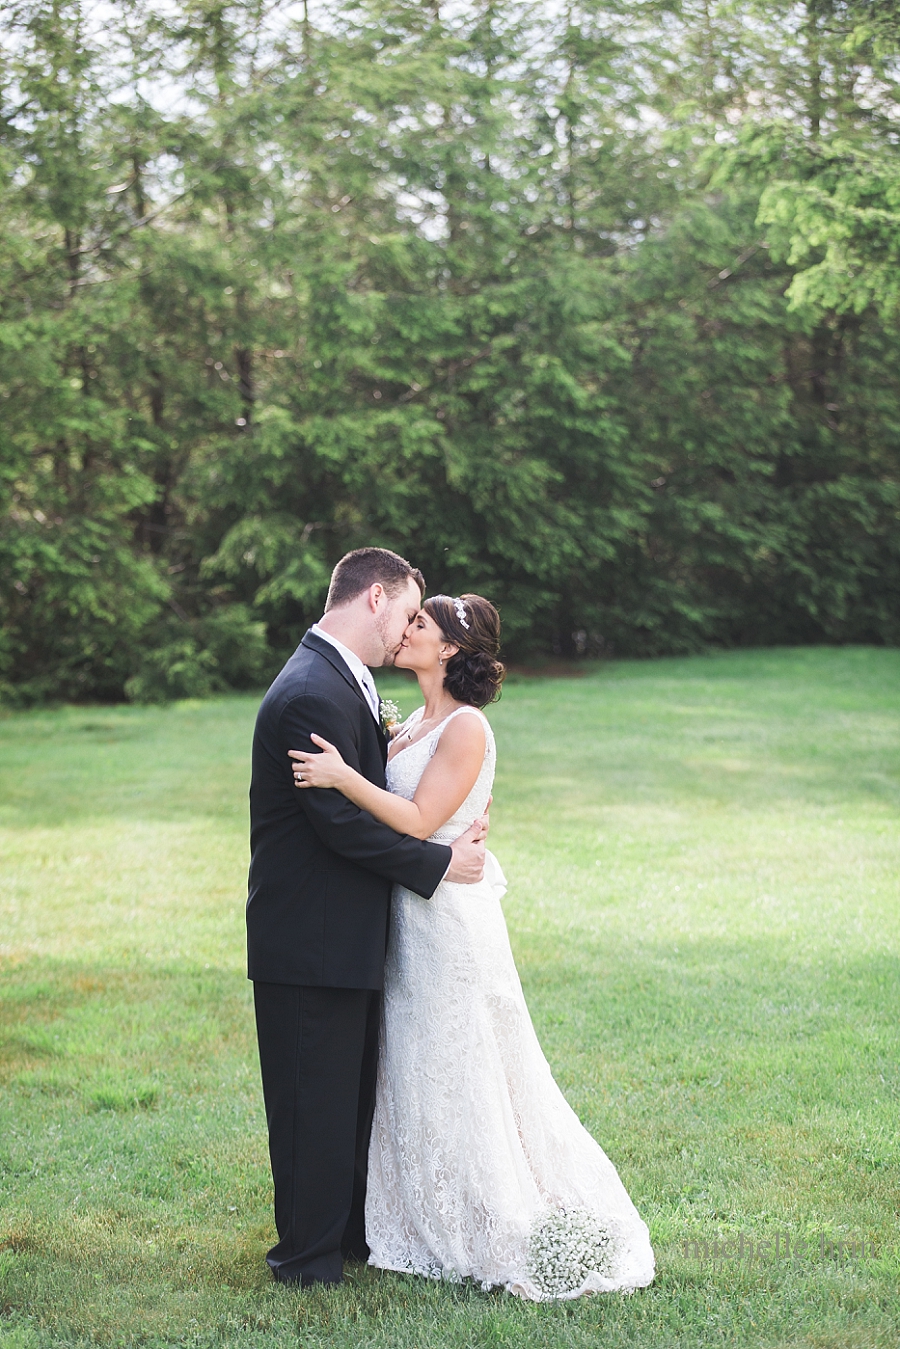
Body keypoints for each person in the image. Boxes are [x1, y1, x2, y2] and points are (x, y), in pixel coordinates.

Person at [288, 593, 655, 1300]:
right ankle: (423, 1210)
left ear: (450, 648)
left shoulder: (466, 726)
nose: (405, 631)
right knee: (419, 1062)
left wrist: (342, 777)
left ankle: (491, 1218)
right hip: (410, 915)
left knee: (463, 1060)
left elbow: (423, 817)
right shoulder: (414, 722)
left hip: (448, 922)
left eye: (419, 624)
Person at [247, 549, 489, 1288]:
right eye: (407, 611)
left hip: (344, 931)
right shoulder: (311, 690)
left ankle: (347, 1234)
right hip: (309, 934)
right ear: (375, 598)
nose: (405, 631)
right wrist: (438, 865)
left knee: (344, 1097)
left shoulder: (340, 679)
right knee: (311, 1100)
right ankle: (307, 1258)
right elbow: (338, 824)